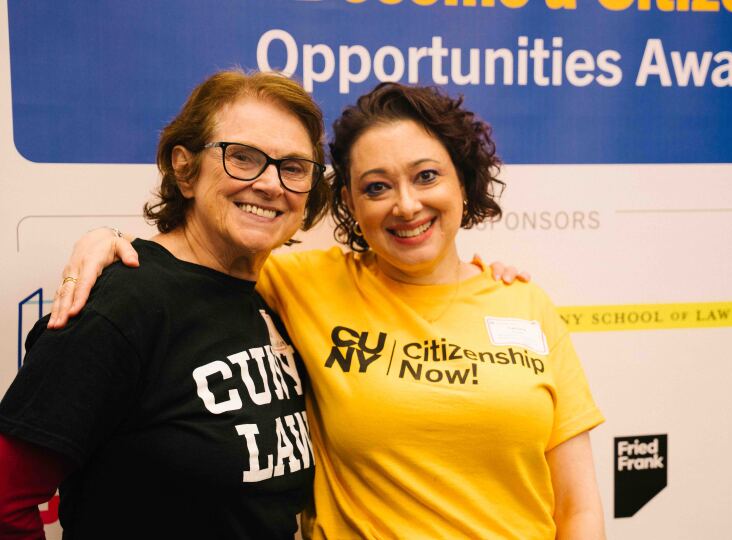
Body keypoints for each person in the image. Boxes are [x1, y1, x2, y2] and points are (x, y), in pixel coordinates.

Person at [46, 83, 605, 539]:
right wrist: (110, 240)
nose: (406, 204)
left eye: (427, 175)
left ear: (464, 180)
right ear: (353, 208)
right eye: (376, 187)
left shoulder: (526, 304)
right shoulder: (303, 282)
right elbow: (195, 256)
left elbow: (578, 508)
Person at [0, 69, 328, 539]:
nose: (271, 184)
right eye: (243, 157)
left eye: (293, 167)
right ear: (185, 169)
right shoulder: (124, 302)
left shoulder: (267, 296)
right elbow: (6, 500)